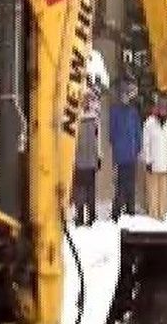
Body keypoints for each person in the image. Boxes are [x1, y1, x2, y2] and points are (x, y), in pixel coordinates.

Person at [109, 81, 143, 220]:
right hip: (121, 153)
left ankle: (130, 209)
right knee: (121, 184)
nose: (127, 97)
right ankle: (116, 211)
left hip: (132, 152)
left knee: (131, 183)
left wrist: (138, 147)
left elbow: (137, 131)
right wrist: (117, 148)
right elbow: (112, 133)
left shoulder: (133, 112)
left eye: (129, 95)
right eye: (125, 94)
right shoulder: (115, 111)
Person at [72, 79, 103, 227]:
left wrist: (99, 156)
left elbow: (98, 140)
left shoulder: (93, 120)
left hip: (88, 159)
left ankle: (89, 216)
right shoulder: (77, 120)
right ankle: (81, 216)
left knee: (87, 190)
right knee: (81, 190)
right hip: (80, 159)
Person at [141, 95, 167, 220]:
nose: (162, 110)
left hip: (165, 163)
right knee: (153, 191)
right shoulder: (149, 123)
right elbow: (146, 143)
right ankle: (153, 214)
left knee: (163, 191)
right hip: (153, 162)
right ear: (155, 109)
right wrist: (148, 161)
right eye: (160, 108)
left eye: (164, 108)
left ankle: (162, 213)